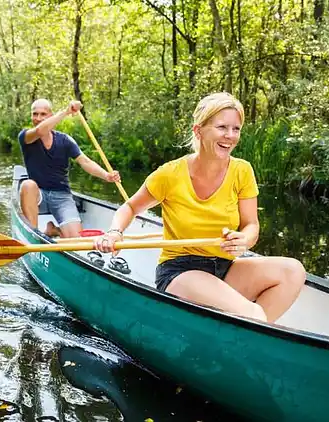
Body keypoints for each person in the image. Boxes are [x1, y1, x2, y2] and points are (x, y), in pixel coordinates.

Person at [94, 93, 305, 323]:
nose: (230, 136)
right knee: (253, 314)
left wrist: (243, 240)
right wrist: (115, 232)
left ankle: (237, 336)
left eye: (236, 128)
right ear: (199, 131)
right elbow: (129, 207)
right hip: (180, 272)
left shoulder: (242, 171)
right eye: (222, 127)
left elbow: (251, 225)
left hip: (224, 267)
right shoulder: (170, 173)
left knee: (293, 271)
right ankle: (248, 332)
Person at [19, 99, 121, 238]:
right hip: (38, 196)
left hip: (62, 196)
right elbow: (40, 130)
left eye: (43, 114)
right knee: (27, 185)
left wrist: (106, 175)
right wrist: (66, 111)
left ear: (50, 115)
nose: (38, 118)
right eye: (35, 114)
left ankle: (53, 231)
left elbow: (85, 161)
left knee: (76, 240)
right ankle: (34, 235)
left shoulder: (65, 140)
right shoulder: (25, 136)